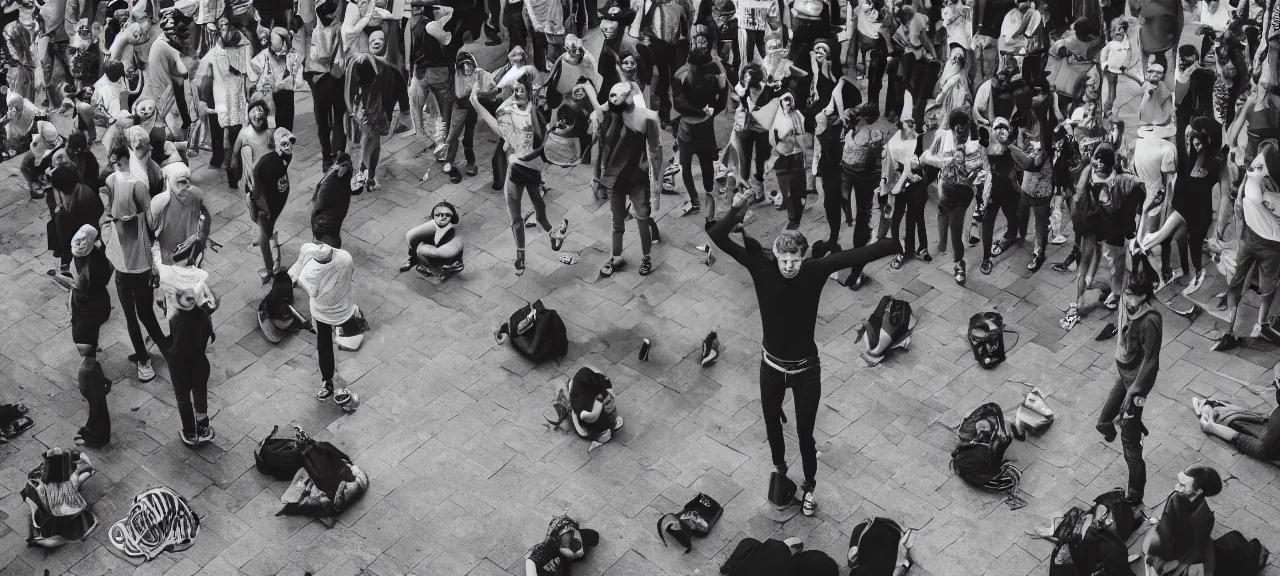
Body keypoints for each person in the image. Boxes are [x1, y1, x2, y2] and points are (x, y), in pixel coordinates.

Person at [705, 186, 901, 517]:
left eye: (795, 260)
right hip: (771, 366)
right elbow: (718, 238)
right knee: (770, 422)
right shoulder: (760, 265)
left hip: (806, 370)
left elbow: (855, 256)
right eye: (784, 260)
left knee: (806, 434)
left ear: (803, 256)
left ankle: (809, 486)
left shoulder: (814, 270)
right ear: (775, 256)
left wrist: (894, 240)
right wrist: (737, 211)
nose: (790, 266)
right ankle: (780, 468)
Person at [471, 66, 568, 275]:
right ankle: (524, 255)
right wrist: (476, 101)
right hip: (518, 170)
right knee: (518, 216)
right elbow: (496, 123)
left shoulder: (532, 113)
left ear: (528, 92)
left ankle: (551, 236)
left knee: (537, 213)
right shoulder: (508, 112)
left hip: (527, 168)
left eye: (520, 90)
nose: (516, 93)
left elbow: (539, 143)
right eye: (515, 90)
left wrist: (536, 119)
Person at [101, 141, 169, 383]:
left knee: (143, 313)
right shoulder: (112, 182)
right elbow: (108, 213)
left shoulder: (135, 185)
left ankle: (164, 349)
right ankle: (144, 356)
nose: (116, 165)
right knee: (134, 315)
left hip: (138, 261)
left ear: (124, 160)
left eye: (117, 161)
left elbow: (151, 220)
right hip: (123, 261)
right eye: (113, 162)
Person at [1097, 255, 1161, 509]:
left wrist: (1134, 393)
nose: (1127, 299)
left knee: (1130, 448)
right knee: (1103, 423)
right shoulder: (1128, 305)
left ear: (1144, 296)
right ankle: (1132, 424)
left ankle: (1134, 496)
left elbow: (1152, 361)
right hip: (1124, 376)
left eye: (1132, 295)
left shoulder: (1151, 321)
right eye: (1126, 294)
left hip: (1136, 385)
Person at [1060, 144, 1146, 330]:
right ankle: (1078, 301)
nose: (1098, 163)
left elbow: (1140, 188)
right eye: (1096, 159)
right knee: (1086, 259)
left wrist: (1133, 213)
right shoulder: (1088, 172)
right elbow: (1078, 197)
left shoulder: (1123, 179)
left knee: (1117, 260)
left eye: (1102, 160)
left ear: (1110, 164)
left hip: (1114, 224)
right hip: (1092, 221)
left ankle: (1115, 292)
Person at [1140, 118, 1222, 295]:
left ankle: (1194, 273)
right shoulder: (1189, 156)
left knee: (1189, 242)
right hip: (1183, 207)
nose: (1193, 145)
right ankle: (1181, 272)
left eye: (1196, 142)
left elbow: (1215, 192)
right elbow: (1179, 183)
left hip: (1197, 211)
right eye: (1189, 140)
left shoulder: (1214, 163)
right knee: (1173, 238)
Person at [1214, 141, 1280, 349]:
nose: (1253, 169)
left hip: (1267, 244)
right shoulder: (1255, 179)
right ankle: (1240, 325)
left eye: (1259, 167)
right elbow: (1242, 201)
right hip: (1256, 240)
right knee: (1250, 284)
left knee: (1264, 287)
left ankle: (1257, 323)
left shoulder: (1265, 187)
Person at [594, 81, 662, 277]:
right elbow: (602, 146)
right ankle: (616, 256)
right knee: (618, 221)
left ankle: (646, 256)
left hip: (637, 176)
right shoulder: (610, 116)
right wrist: (597, 175)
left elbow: (655, 150)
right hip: (615, 178)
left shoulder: (647, 117)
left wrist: (655, 180)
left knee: (642, 218)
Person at [922, 109, 990, 286]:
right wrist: (944, 160)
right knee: (942, 216)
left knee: (956, 227)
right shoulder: (942, 136)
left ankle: (959, 263)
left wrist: (978, 182)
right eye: (960, 129)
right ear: (953, 128)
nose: (963, 133)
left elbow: (983, 167)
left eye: (966, 129)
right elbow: (926, 157)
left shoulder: (974, 142)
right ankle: (942, 245)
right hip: (945, 187)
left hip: (964, 192)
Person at [292, 243, 359, 409]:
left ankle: (330, 381)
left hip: (332, 311)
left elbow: (307, 287)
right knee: (328, 344)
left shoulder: (308, 275)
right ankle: (329, 380)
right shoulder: (345, 257)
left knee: (330, 345)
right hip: (332, 310)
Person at [671, 23, 726, 216]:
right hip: (697, 129)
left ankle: (701, 196)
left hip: (692, 130)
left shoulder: (686, 73)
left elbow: (679, 105)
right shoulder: (705, 71)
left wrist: (704, 112)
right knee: (698, 165)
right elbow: (722, 98)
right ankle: (703, 195)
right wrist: (706, 113)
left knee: (693, 166)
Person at [839, 103, 889, 288]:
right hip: (864, 177)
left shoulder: (851, 123)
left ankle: (852, 265)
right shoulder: (874, 133)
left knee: (853, 214)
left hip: (848, 173)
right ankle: (856, 271)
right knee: (862, 215)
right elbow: (877, 156)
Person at [1141, 465, 1221, 575]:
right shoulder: (1175, 498)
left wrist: (1180, 562)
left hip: (1187, 549)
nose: (1176, 488)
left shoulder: (1206, 518)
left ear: (1198, 492)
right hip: (1167, 542)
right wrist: (1163, 562)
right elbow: (1165, 531)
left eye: (1183, 486)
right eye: (1179, 483)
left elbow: (1197, 546)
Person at [1196, 364, 1280, 463]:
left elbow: (1263, 451)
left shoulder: (1277, 421)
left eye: (1276, 381)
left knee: (1238, 435)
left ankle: (1210, 425)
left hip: (1270, 448)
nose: (1274, 383)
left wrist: (1213, 427)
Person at [164, 287, 216, 446]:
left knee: (183, 399)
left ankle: (190, 433)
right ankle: (203, 427)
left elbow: (172, 344)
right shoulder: (204, 317)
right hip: (200, 364)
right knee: (200, 392)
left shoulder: (175, 320)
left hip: (180, 368)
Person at [1011, 93, 1056, 272]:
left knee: (1040, 223)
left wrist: (1011, 146)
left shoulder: (1049, 135)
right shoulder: (1031, 126)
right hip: (1027, 184)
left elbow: (1033, 165)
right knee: (1021, 213)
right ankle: (1018, 237)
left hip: (1042, 186)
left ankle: (1039, 252)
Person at [442, 51, 497, 183]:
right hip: (458, 109)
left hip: (471, 110)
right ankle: (449, 160)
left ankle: (471, 163)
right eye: (464, 65)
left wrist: (482, 94)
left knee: (468, 138)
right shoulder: (456, 75)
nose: (467, 68)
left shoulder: (479, 74)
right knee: (453, 135)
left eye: (469, 64)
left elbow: (491, 88)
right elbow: (454, 95)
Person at [306, 0, 347, 172]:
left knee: (333, 121)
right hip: (325, 79)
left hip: (329, 78)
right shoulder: (322, 29)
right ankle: (331, 155)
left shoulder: (329, 30)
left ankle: (333, 156)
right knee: (329, 121)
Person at [249, 128, 295, 281]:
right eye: (283, 143)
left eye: (291, 142)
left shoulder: (285, 156)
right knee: (264, 234)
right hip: (264, 205)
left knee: (267, 227)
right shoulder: (265, 164)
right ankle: (269, 269)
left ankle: (266, 234)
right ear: (275, 144)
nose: (288, 147)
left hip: (274, 204)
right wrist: (265, 211)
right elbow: (255, 194)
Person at [979, 117, 1022, 275]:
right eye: (998, 127)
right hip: (993, 191)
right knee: (988, 222)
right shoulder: (986, 144)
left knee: (1012, 214)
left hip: (1010, 189)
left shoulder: (1012, 145)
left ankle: (1012, 235)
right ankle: (985, 258)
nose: (1001, 130)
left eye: (1004, 127)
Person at [547, 367, 624, 452]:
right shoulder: (598, 383)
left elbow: (591, 417)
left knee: (574, 413)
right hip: (606, 414)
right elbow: (606, 384)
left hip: (596, 421)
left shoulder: (582, 402)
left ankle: (600, 434)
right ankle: (608, 425)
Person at [50, 162, 105, 281]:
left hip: (82, 240)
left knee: (83, 272)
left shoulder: (84, 198)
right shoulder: (76, 189)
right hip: (79, 235)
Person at [149, 163, 209, 266]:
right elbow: (151, 226)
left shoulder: (198, 195)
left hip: (191, 254)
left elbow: (205, 223)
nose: (188, 184)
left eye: (188, 180)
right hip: (167, 257)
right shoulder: (160, 201)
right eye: (182, 181)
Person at [248, 27, 302, 131]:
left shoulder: (293, 57)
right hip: (267, 98)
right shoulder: (263, 55)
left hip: (285, 97)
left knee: (284, 131)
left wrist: (281, 85)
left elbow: (298, 81)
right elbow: (253, 73)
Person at [399, 201, 465, 278]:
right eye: (437, 215)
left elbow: (446, 252)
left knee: (421, 252)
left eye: (447, 215)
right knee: (417, 242)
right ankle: (414, 259)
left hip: (440, 258)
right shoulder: (433, 226)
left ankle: (432, 269)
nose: (441, 218)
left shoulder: (451, 232)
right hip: (430, 250)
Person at [525, 515, 599, 576]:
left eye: (575, 541)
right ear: (558, 546)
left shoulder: (581, 535)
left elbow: (594, 536)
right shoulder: (549, 549)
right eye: (571, 547)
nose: (577, 550)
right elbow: (530, 562)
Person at [312, 153, 357, 248]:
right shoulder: (340, 175)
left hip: (321, 218)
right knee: (330, 245)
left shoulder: (331, 174)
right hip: (327, 222)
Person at [228, 100, 273, 192]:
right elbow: (235, 154)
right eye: (253, 112)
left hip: (267, 176)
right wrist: (234, 171)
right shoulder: (244, 133)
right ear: (248, 115)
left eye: (260, 111)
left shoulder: (269, 133)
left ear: (265, 116)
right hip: (251, 178)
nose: (257, 114)